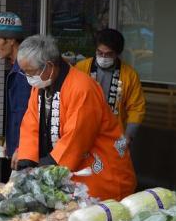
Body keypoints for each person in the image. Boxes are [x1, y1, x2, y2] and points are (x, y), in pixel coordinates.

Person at [16, 34, 136, 201]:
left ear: (49, 66)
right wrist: (26, 161)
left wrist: (42, 168)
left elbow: (77, 137)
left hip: (103, 174)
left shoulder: (82, 88)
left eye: (30, 72)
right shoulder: (42, 84)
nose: (28, 77)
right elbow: (31, 122)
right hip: (72, 173)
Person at [75, 28, 145, 146]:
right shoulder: (81, 68)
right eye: (99, 52)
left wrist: (128, 135)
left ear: (117, 53)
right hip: (83, 132)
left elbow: (136, 108)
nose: (103, 57)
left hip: (115, 135)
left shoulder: (130, 75)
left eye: (108, 54)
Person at [0, 12, 30, 171]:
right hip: (19, 147)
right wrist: (10, 139)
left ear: (11, 40)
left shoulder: (25, 69)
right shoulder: (15, 66)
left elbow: (24, 113)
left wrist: (21, 146)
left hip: (26, 151)